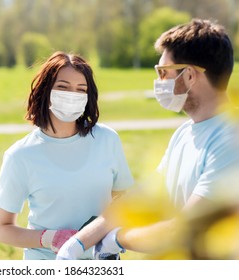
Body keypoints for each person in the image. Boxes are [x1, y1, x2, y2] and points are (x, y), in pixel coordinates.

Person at [56, 18, 239, 260]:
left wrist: (117, 239)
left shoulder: (230, 140)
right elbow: (141, 199)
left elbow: (182, 230)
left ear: (190, 76)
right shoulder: (185, 133)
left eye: (163, 72)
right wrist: (78, 243)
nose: (159, 82)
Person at [0, 51, 134, 260]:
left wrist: (110, 232)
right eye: (63, 87)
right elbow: (2, 229)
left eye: (81, 89)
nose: (72, 95)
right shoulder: (20, 155)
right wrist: (51, 238)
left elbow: (125, 199)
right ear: (45, 90)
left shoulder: (107, 139)